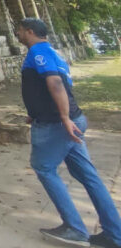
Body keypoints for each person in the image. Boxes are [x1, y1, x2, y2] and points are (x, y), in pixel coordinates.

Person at [17, 17, 121, 248]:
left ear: (30, 31)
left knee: (44, 167)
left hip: (57, 124)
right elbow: (54, 85)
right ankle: (115, 234)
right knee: (88, 176)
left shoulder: (37, 53)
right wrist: (36, 111)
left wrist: (62, 117)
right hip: (73, 120)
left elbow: (55, 83)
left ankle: (74, 228)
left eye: (20, 31)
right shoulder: (55, 53)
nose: (18, 35)